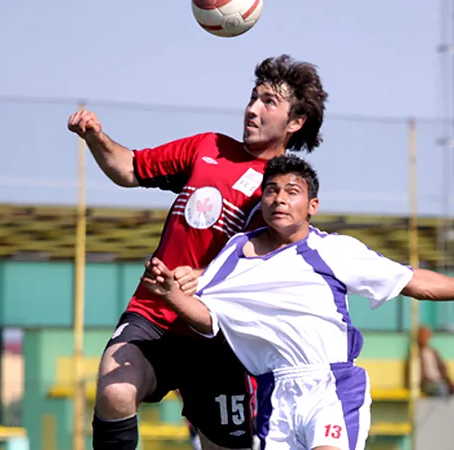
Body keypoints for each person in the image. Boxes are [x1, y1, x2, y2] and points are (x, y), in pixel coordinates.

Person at [141, 155, 454, 450]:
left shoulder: (333, 250)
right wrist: (171, 295)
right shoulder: (236, 252)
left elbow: (412, 280)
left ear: (312, 204)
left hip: (330, 386)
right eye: (271, 191)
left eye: (291, 191)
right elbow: (209, 318)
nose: (279, 198)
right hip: (274, 395)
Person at [67, 54, 328, 450]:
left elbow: (277, 269)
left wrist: (205, 278)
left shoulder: (282, 191)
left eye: (268, 102)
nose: (252, 109)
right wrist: (96, 137)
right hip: (155, 314)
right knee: (115, 391)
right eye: (253, 97)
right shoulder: (208, 148)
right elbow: (130, 168)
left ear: (295, 122)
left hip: (223, 339)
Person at [417, 326, 454, 397]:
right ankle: (443, 408)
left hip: (440, 380)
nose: (425, 338)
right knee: (442, 388)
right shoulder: (416, 353)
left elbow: (443, 368)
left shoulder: (433, 352)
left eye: (427, 335)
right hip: (428, 383)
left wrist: (450, 382)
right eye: (422, 335)